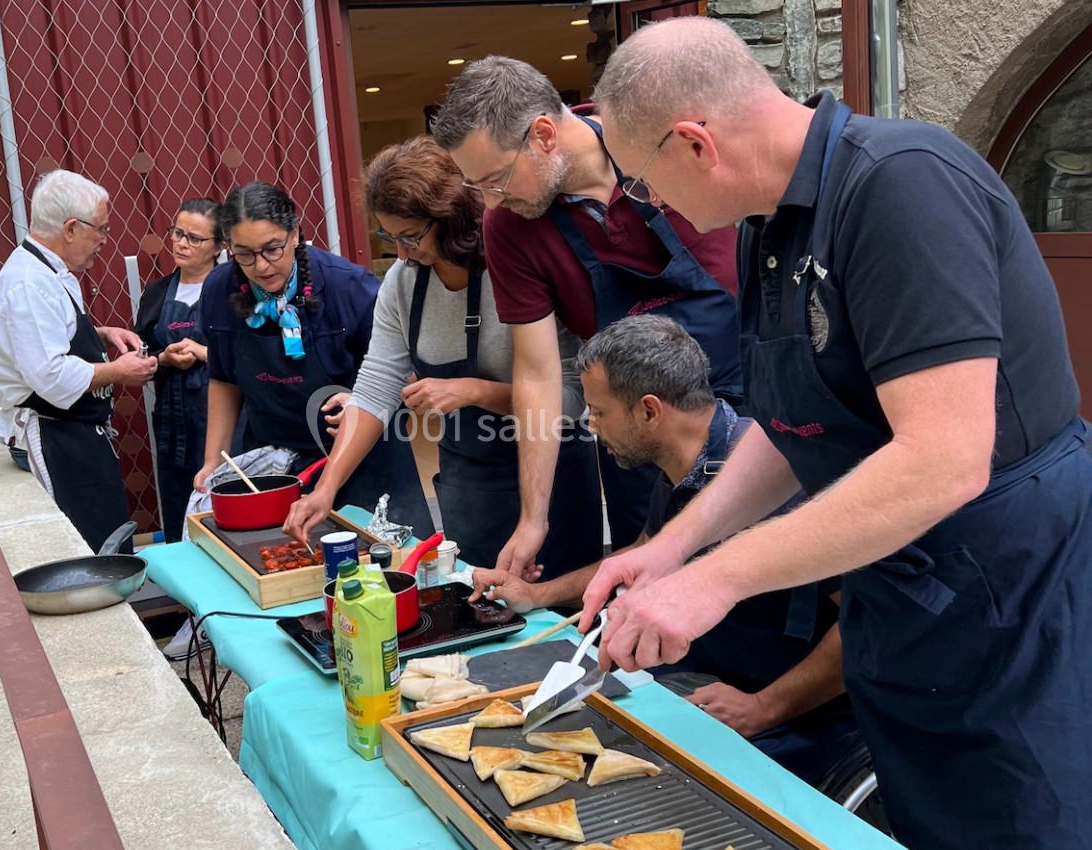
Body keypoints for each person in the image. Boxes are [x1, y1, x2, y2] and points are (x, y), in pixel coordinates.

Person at [584, 18, 1092, 849]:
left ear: (693, 144)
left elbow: (943, 460)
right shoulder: (769, 225)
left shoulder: (902, 185)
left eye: (640, 182)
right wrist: (676, 549)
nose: (644, 207)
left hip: (1008, 595)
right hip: (896, 598)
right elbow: (792, 425)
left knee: (1022, 821)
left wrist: (718, 581)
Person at [471, 316, 856, 785]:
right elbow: (645, 553)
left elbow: (863, 624)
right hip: (701, 686)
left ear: (650, 411)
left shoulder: (778, 483)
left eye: (599, 411)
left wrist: (764, 707)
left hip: (793, 717)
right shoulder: (684, 463)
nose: (590, 426)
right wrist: (538, 595)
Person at [431, 57, 743, 579]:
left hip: (747, 405)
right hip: (639, 444)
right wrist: (534, 518)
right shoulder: (508, 225)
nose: (490, 200)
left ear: (544, 135)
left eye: (495, 179)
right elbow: (537, 370)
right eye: (476, 186)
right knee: (652, 590)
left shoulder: (660, 139)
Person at [283, 137, 602, 574]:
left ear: (451, 218)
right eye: (387, 236)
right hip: (468, 482)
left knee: (556, 626)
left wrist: (477, 392)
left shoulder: (517, 268)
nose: (400, 253)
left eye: (411, 236)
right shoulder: (402, 283)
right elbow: (374, 389)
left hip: (554, 484)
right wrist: (325, 488)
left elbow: (571, 398)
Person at [195, 182, 432, 536]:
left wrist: (361, 399)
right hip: (276, 459)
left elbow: (405, 373)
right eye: (244, 254)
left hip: (365, 456)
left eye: (272, 249)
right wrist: (214, 459)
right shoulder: (218, 289)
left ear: (294, 234)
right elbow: (224, 378)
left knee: (383, 564)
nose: (261, 266)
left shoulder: (349, 287)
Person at [0, 169, 155, 553]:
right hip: (53, 435)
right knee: (89, 550)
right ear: (71, 228)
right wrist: (119, 371)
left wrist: (102, 333)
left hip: (74, 432)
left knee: (107, 537)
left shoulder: (47, 271)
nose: (104, 242)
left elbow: (50, 336)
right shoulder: (29, 284)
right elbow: (50, 375)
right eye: (101, 230)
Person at [135, 198, 222, 542]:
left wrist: (204, 352)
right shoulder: (157, 292)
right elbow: (142, 353)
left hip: (220, 419)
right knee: (177, 508)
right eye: (177, 233)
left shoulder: (233, 290)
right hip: (173, 425)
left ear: (219, 245)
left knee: (220, 507)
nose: (182, 243)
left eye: (195, 238)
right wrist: (164, 359)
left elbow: (253, 355)